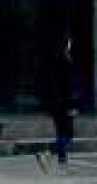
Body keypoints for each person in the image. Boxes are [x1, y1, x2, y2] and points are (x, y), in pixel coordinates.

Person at [37, 27, 77, 173]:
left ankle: (62, 166)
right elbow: (68, 86)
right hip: (63, 103)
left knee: (60, 132)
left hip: (53, 103)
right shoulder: (66, 61)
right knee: (68, 134)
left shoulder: (52, 60)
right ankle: (47, 153)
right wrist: (72, 104)